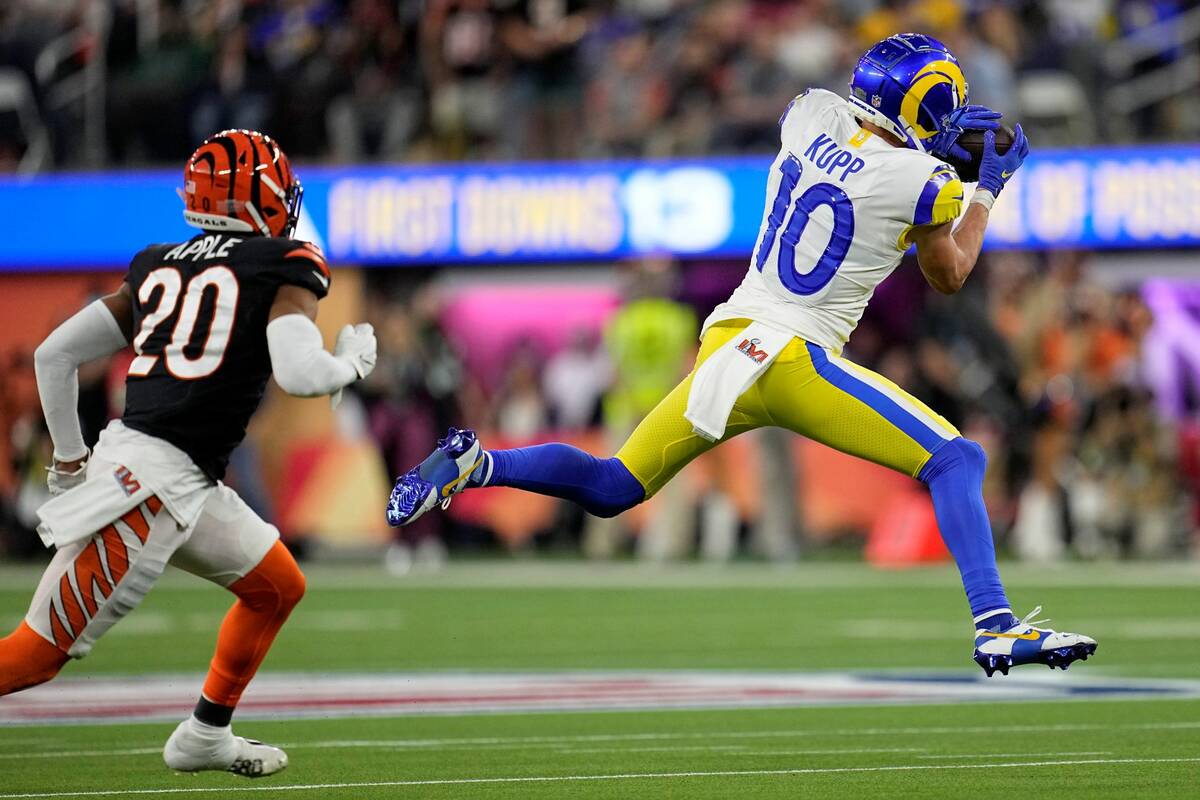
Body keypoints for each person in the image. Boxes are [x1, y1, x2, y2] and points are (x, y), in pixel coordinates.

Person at [387, 34, 1097, 676]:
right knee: (957, 458)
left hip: (731, 340)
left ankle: (480, 463)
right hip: (795, 355)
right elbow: (950, 273)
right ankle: (996, 625)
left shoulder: (810, 115)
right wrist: (988, 189)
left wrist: (927, 155)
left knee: (614, 486)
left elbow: (865, 158)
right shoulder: (924, 185)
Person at [0, 130, 377, 776]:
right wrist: (347, 363)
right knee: (34, 656)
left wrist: (69, 460)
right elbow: (298, 371)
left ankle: (206, 734)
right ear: (258, 195)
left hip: (177, 477)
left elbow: (53, 354)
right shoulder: (282, 262)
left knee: (277, 586)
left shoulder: (160, 263)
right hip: (149, 489)